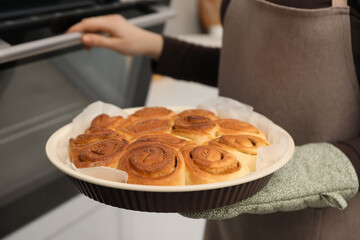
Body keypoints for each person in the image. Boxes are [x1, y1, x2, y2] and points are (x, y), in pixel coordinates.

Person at [68, 0, 360, 239]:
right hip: (226, 216)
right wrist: (155, 45)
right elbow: (246, 62)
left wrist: (307, 171)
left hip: (321, 221)